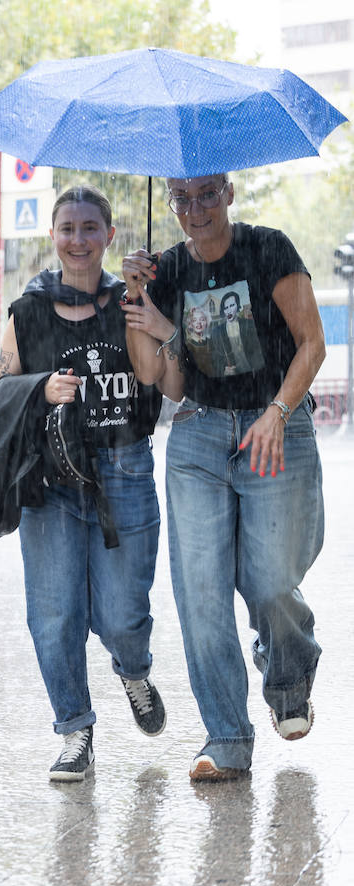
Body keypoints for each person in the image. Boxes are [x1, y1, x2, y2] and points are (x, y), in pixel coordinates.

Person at [121, 173, 326, 782]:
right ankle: (227, 737)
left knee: (269, 581)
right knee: (200, 595)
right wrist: (142, 306)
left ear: (229, 194)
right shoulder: (165, 273)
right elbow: (165, 380)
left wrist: (277, 413)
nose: (193, 209)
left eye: (207, 194)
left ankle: (288, 671)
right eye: (181, 197)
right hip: (199, 436)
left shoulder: (269, 249)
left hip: (277, 425)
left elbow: (312, 345)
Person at [0, 186, 166, 782]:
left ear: (110, 236)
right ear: (53, 237)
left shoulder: (129, 298)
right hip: (53, 478)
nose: (79, 239)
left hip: (126, 470)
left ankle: (134, 668)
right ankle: (74, 730)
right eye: (67, 228)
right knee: (55, 615)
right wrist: (39, 390)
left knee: (120, 617)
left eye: (91, 228)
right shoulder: (28, 310)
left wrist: (139, 296)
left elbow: (156, 379)